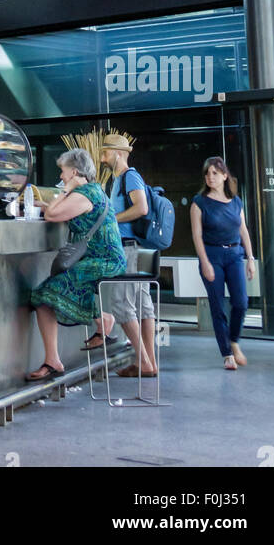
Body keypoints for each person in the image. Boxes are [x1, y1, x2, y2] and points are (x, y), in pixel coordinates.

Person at [26, 149, 126, 380]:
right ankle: (53, 359)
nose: (61, 176)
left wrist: (62, 193)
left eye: (63, 171)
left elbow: (53, 216)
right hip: (99, 259)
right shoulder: (91, 191)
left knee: (44, 295)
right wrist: (52, 203)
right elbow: (58, 212)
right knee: (44, 298)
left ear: (74, 171)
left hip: (104, 262)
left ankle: (102, 320)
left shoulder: (84, 194)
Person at [99, 132, 157, 377]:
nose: (102, 158)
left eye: (106, 153)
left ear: (119, 154)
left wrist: (112, 219)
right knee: (143, 306)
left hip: (127, 248)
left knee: (123, 305)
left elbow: (141, 208)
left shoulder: (129, 177)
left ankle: (143, 361)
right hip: (133, 247)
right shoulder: (118, 180)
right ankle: (149, 363)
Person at [190, 156, 255, 370]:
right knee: (218, 306)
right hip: (212, 256)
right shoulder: (199, 202)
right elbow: (197, 236)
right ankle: (227, 353)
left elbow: (243, 230)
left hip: (235, 255)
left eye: (215, 173)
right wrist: (205, 262)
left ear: (224, 176)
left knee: (241, 302)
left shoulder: (236, 201)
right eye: (207, 173)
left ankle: (234, 341)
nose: (210, 177)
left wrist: (250, 258)